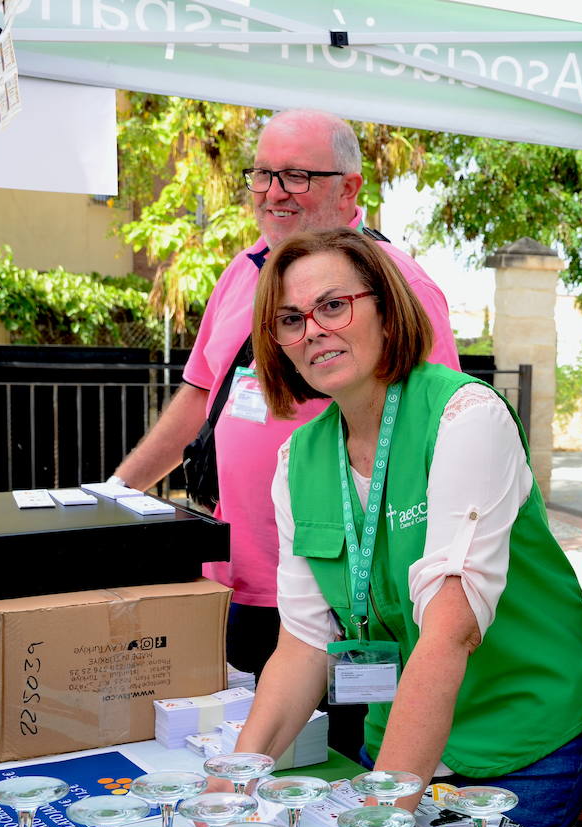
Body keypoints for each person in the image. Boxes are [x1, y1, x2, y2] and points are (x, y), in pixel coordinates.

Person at [227, 227, 582, 827]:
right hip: (396, 741)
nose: (313, 330)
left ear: (384, 308)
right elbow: (304, 643)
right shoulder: (299, 461)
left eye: (333, 305)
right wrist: (235, 778)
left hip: (517, 743)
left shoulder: (465, 415)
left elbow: (450, 628)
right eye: (291, 319)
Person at [111, 109, 459, 687]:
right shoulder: (242, 271)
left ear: (349, 188)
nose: (273, 193)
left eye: (297, 176)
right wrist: (115, 494)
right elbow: (199, 399)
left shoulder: (397, 285)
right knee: (249, 749)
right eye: (262, 174)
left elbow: (435, 429)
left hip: (348, 592)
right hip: (234, 581)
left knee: (338, 765)